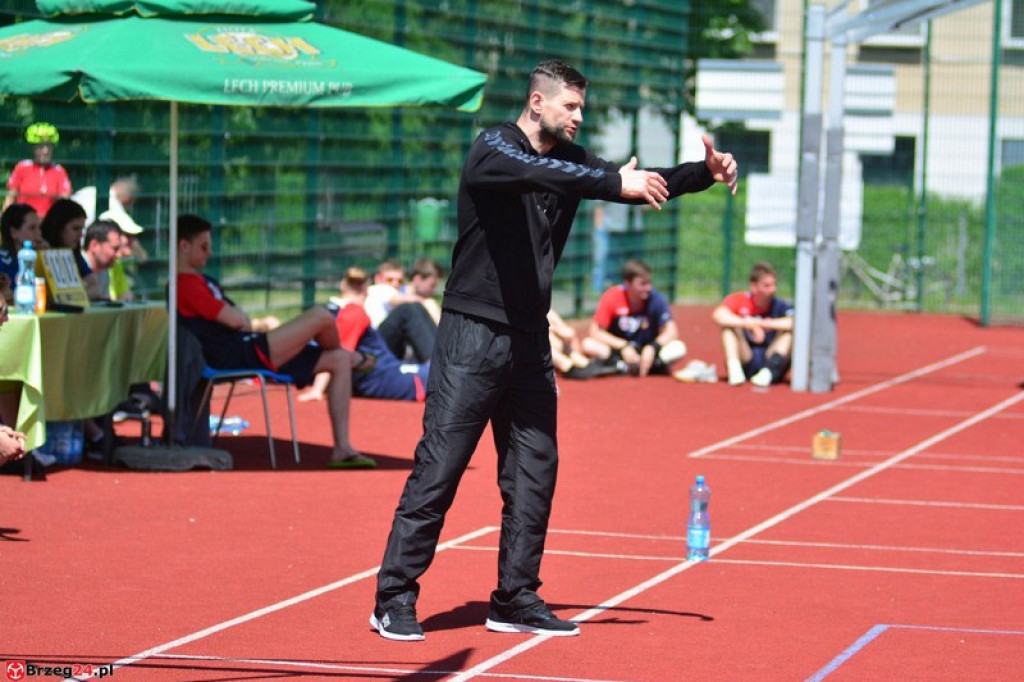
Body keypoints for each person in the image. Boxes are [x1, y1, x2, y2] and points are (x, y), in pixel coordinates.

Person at [371, 59, 737, 641]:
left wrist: (704, 173)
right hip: (471, 334)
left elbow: (636, 181)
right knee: (439, 469)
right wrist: (610, 182)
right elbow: (548, 174)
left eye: (582, 107)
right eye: (571, 105)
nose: (579, 116)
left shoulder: (571, 160)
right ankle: (393, 597)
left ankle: (515, 597)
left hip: (529, 340)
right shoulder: (493, 148)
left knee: (533, 472)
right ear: (537, 102)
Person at [175, 214, 374, 469]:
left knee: (338, 359)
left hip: (246, 343)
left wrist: (242, 320)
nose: (209, 253)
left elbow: (241, 319)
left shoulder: (203, 280)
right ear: (184, 246)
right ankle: (353, 356)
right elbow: (236, 320)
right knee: (321, 316)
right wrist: (240, 320)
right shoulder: (184, 285)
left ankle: (342, 448)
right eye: (204, 247)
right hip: (235, 353)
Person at [299, 267, 429, 403]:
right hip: (389, 377)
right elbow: (336, 355)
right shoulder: (353, 312)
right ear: (366, 291)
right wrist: (318, 389)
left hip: (388, 376)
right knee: (437, 378)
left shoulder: (329, 311)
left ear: (342, 285)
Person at [582, 259, 688, 377]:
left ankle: (647, 365)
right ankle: (622, 365)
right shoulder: (612, 296)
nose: (648, 288)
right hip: (619, 352)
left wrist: (653, 347)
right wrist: (622, 346)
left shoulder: (657, 298)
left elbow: (672, 331)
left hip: (648, 350)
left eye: (649, 283)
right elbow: (595, 332)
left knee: (679, 347)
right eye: (642, 284)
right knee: (588, 344)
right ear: (628, 283)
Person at [712, 261, 794, 387]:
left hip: (770, 357)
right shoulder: (740, 299)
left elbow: (794, 323)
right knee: (729, 328)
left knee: (789, 334)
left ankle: (768, 372)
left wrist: (762, 324)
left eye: (774, 285)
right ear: (754, 287)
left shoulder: (780, 305)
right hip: (747, 357)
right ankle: (735, 371)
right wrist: (747, 323)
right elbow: (719, 315)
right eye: (767, 286)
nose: (773, 289)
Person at [367, 258, 442, 363]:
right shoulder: (377, 289)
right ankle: (435, 361)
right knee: (408, 309)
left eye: (400, 281)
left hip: (395, 347)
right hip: (376, 344)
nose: (395, 284)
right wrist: (427, 303)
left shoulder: (401, 295)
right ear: (378, 278)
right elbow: (398, 300)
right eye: (390, 280)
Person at [4, 122, 72, 216]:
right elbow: (10, 198)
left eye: (49, 146)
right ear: (33, 148)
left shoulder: (59, 171)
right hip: (24, 221)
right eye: (40, 146)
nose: (45, 151)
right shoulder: (21, 168)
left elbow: (65, 201)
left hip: (49, 222)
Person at [39, 198, 94, 291]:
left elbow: (94, 284)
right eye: (75, 228)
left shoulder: (75, 254)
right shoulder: (39, 251)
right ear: (59, 227)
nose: (81, 234)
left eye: (82, 229)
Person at [0, 203, 43, 302]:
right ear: (13, 232)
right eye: (32, 228)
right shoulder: (2, 260)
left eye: (39, 227)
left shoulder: (40, 255)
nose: (39, 233)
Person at [81, 220, 123, 300]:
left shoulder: (104, 273)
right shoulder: (74, 266)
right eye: (115, 249)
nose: (119, 255)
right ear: (94, 245)